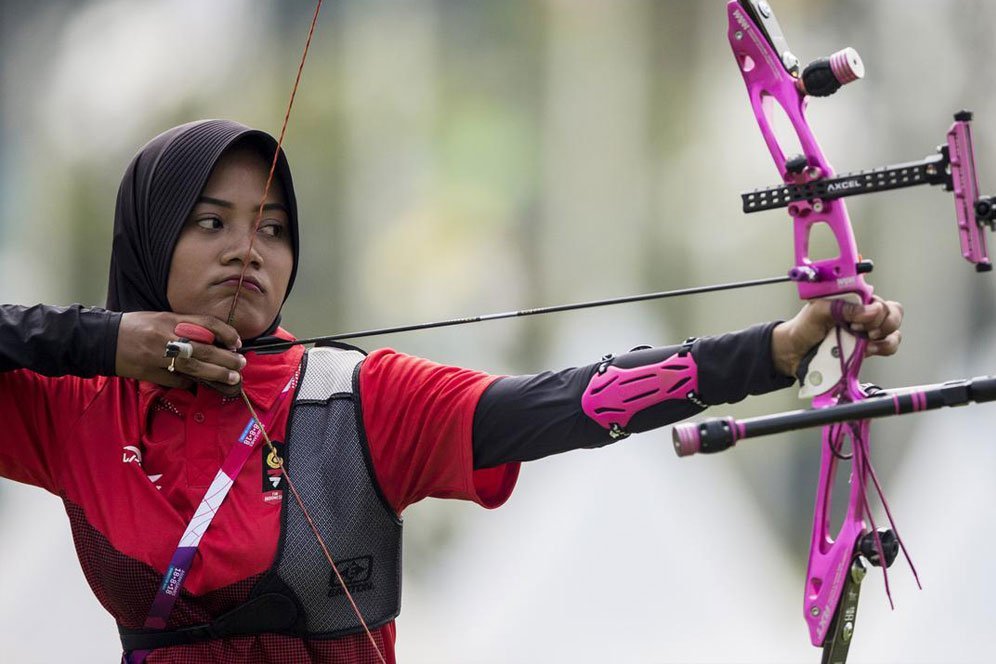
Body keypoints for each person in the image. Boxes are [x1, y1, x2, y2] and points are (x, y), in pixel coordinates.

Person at [0, 119, 902, 664]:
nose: (249, 249)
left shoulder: (353, 399)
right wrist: (98, 340)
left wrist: (777, 351)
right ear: (147, 238)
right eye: (212, 222)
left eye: (272, 228)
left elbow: (567, 401)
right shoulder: (76, 405)